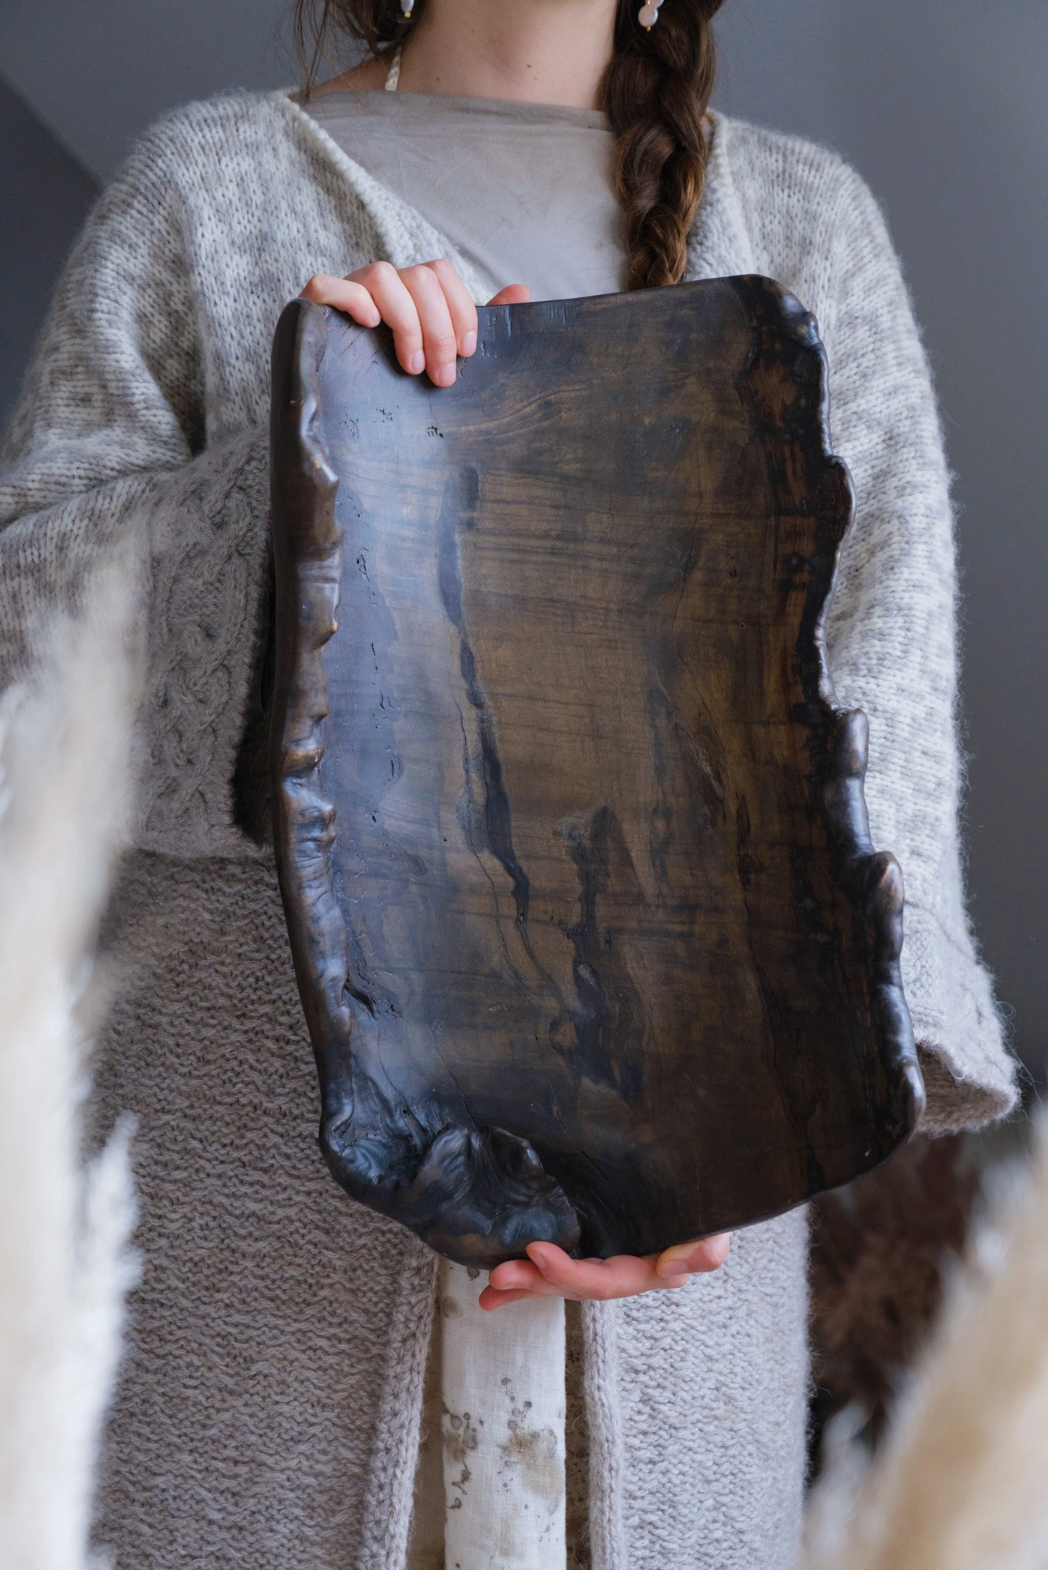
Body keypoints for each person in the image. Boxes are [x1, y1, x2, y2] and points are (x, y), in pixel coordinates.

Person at [0, 1, 1017, 1567]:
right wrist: (308, 455)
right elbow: (35, 651)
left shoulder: (808, 226)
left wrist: (727, 1140)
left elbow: (877, 731)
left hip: (685, 1292)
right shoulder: (202, 188)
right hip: (257, 1285)